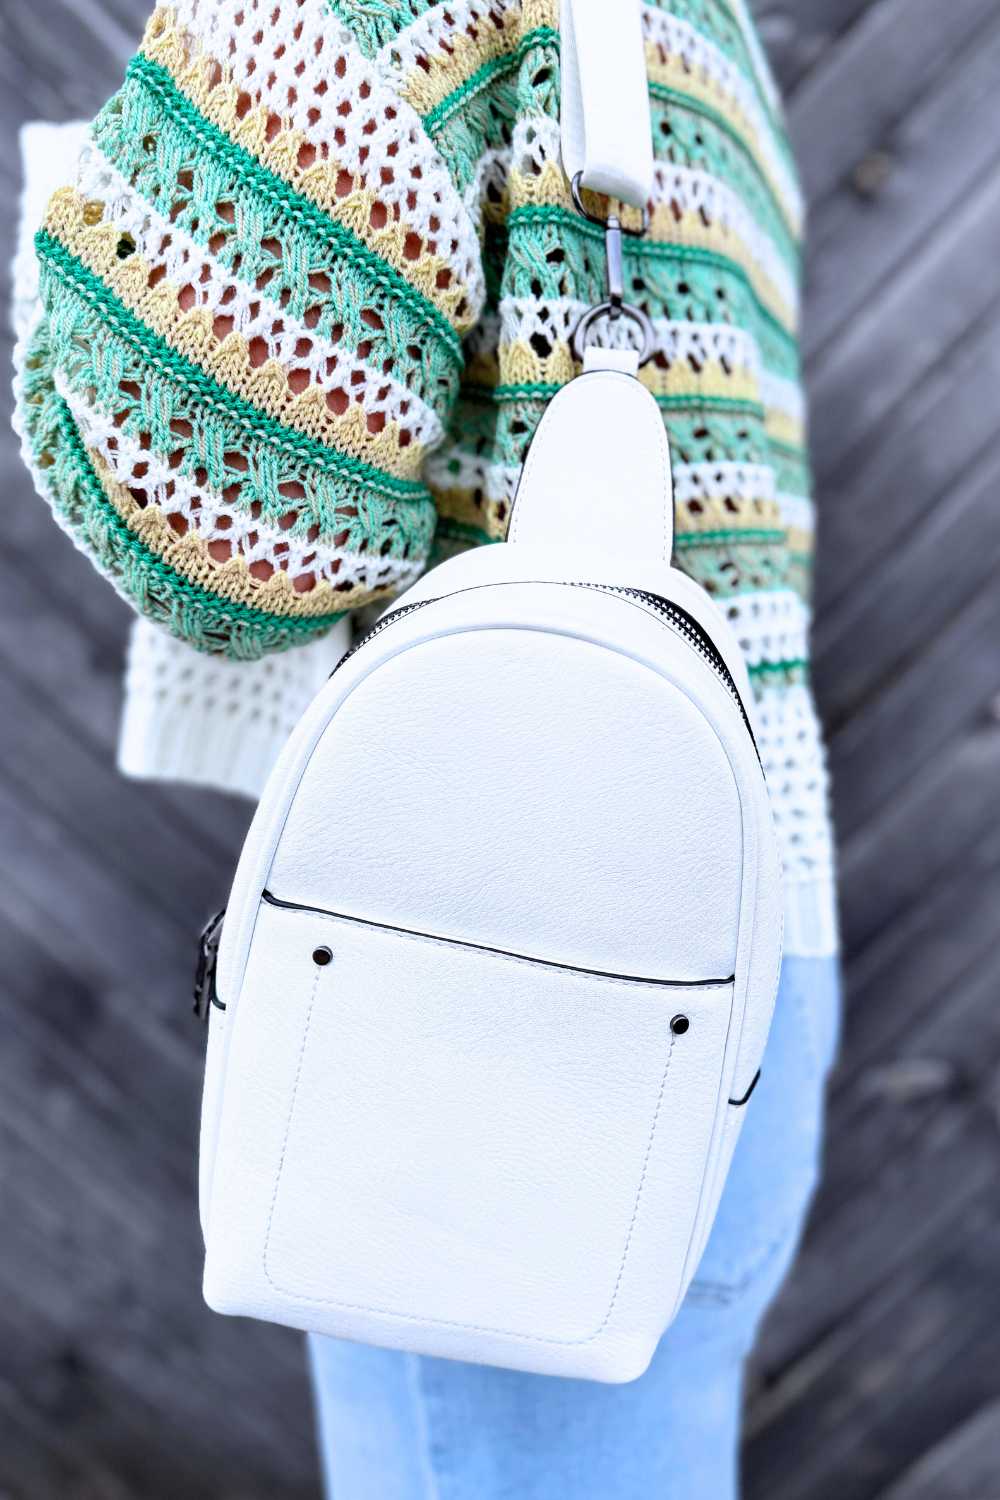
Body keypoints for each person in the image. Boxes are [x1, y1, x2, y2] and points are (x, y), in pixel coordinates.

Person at [14, 0, 839, 1493]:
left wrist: (81, 236)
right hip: (732, 958)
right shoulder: (702, 21)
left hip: (489, 974)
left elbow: (214, 529)